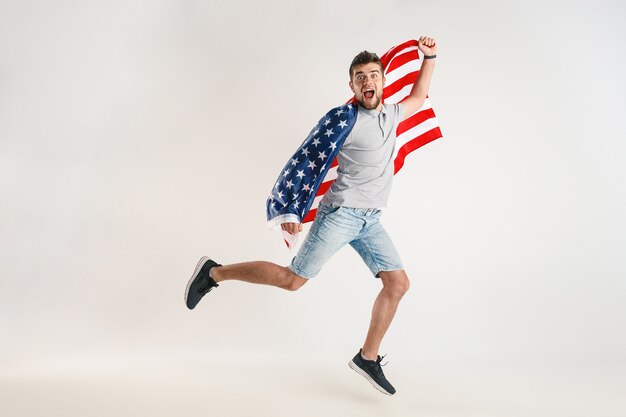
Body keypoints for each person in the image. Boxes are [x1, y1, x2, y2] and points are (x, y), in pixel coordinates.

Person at [184, 36, 437, 396]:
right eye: (360, 77)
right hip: (340, 215)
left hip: (370, 221)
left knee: (398, 284)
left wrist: (429, 57)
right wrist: (291, 209)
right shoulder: (343, 120)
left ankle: (367, 357)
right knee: (292, 281)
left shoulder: (392, 112)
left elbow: (418, 95)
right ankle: (213, 272)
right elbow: (305, 160)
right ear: (352, 85)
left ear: (383, 80)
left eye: (373, 75)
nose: (368, 81)